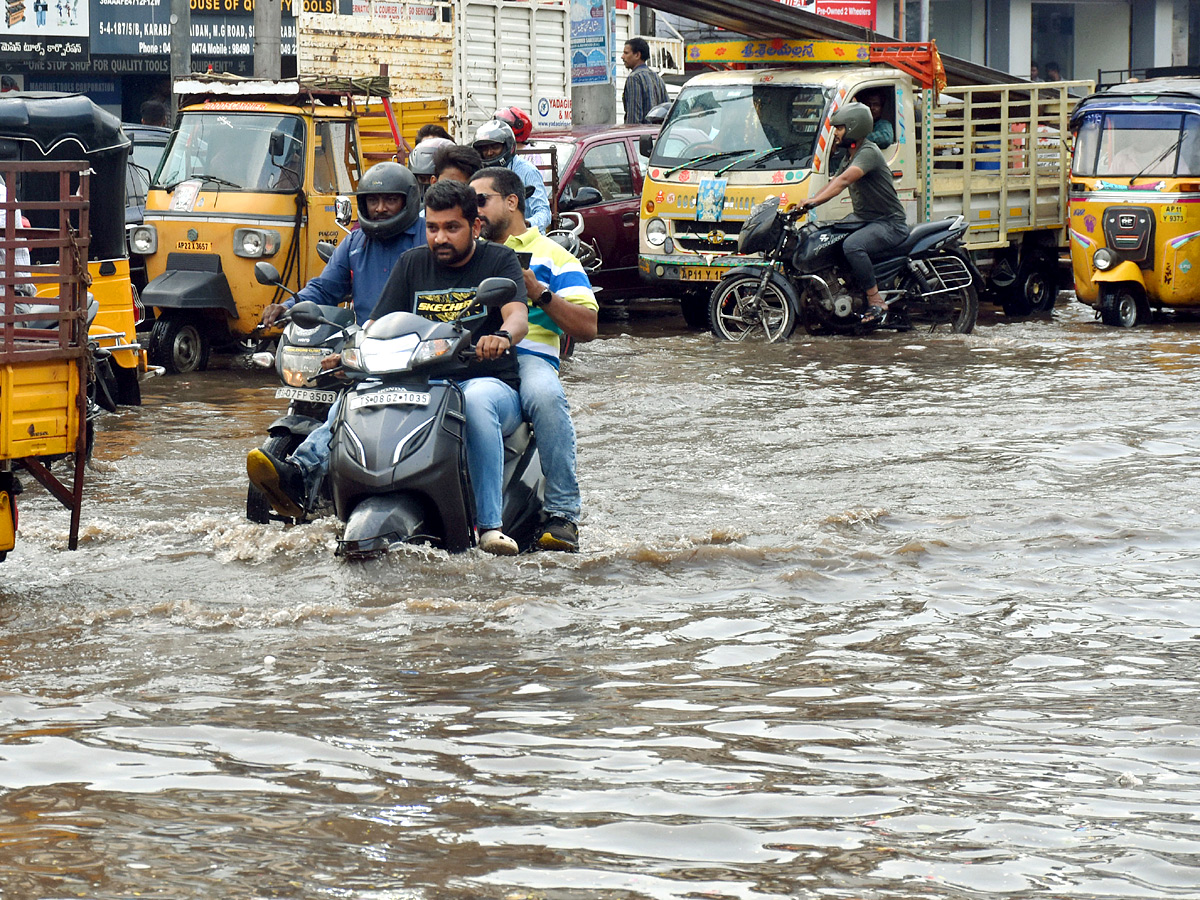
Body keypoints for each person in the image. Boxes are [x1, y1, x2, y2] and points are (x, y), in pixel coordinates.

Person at [248, 180, 530, 556]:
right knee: (357, 395)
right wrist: (351, 353)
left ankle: (489, 527)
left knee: (474, 403)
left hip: (485, 379)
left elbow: (517, 316)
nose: (440, 237)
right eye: (432, 228)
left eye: (452, 228)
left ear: (475, 227)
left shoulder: (498, 261)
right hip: (424, 379)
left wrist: (502, 337)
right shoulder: (412, 262)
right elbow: (375, 325)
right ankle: (301, 472)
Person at [470, 166, 598, 552]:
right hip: (469, 353)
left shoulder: (553, 256)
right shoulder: (467, 251)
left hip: (530, 354)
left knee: (545, 396)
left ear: (512, 202)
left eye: (481, 201)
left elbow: (588, 326)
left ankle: (562, 514)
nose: (473, 211)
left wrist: (537, 290)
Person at [259, 161, 424, 329]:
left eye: (391, 200)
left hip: (421, 342)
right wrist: (289, 306)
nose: (380, 208)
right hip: (369, 342)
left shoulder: (428, 236)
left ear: (407, 201)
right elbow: (325, 289)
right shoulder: (354, 243)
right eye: (373, 200)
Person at [798, 101, 909, 326]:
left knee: (853, 246)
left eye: (839, 128)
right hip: (866, 220)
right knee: (832, 238)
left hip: (889, 223)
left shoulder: (868, 152)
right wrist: (806, 203)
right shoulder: (852, 154)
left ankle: (875, 299)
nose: (836, 133)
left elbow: (844, 181)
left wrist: (814, 201)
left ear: (853, 127)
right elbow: (833, 182)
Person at [472, 120, 551, 232]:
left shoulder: (527, 171)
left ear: (507, 146)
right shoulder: (480, 175)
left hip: (525, 238)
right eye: (485, 148)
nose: (489, 153)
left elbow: (543, 211)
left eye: (495, 147)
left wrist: (527, 224)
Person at [622, 37, 669, 125]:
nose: (622, 57)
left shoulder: (634, 78)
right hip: (657, 135)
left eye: (626, 53)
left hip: (640, 136)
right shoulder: (657, 78)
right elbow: (667, 111)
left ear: (637, 55)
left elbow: (633, 119)